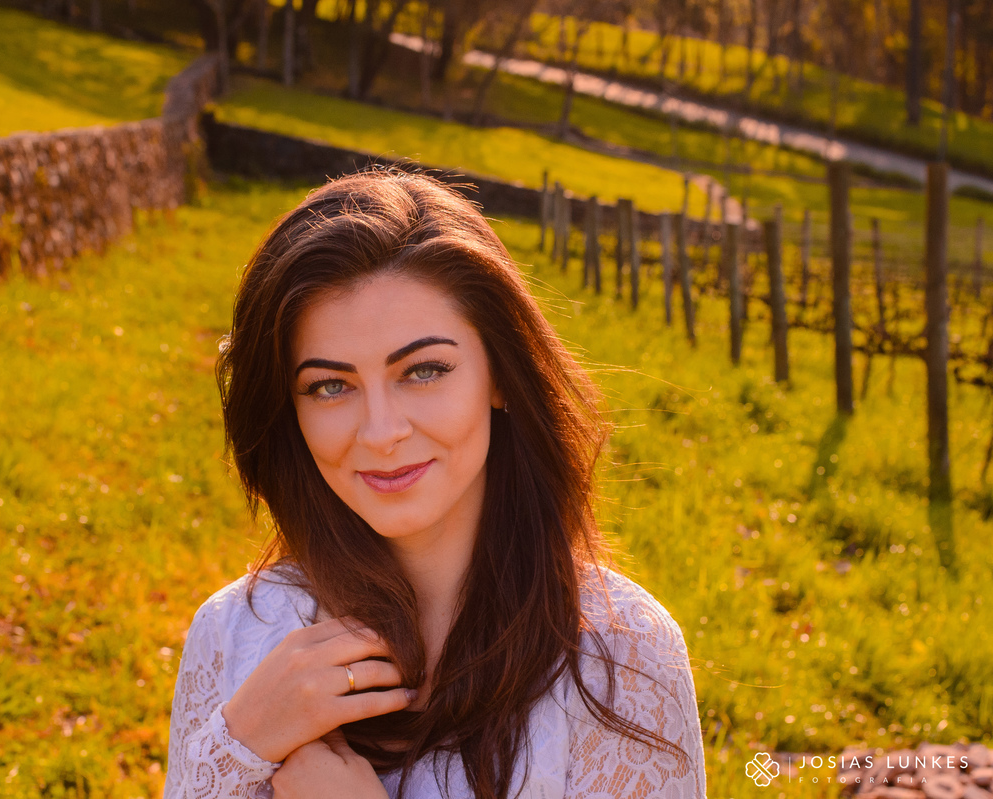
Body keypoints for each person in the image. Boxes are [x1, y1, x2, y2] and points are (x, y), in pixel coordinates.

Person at [162, 168, 706, 799]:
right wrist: (240, 744)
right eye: (329, 386)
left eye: (423, 370)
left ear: (500, 375)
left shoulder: (621, 659)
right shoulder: (237, 633)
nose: (381, 432)